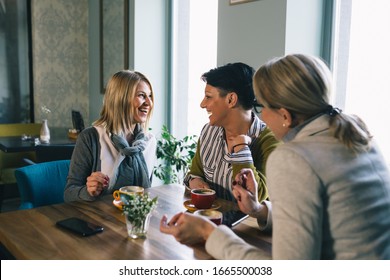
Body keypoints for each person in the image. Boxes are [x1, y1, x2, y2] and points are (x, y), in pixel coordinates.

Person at [160, 54, 390, 259]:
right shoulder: (357, 135)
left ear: (285, 116)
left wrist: (208, 232)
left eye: (262, 106)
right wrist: (259, 210)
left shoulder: (294, 158)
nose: (261, 116)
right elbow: (325, 221)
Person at [183, 62, 279, 201]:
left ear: (231, 99)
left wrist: (241, 149)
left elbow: (259, 197)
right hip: (211, 220)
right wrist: (195, 182)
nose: (202, 104)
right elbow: (195, 174)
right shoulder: (208, 131)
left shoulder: (270, 140)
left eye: (208, 97)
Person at [64, 70, 156, 202]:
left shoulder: (150, 142)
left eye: (150, 96)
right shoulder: (90, 138)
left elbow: (146, 192)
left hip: (136, 219)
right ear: (121, 99)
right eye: (142, 95)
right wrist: (88, 191)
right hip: (99, 220)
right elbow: (69, 194)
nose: (149, 103)